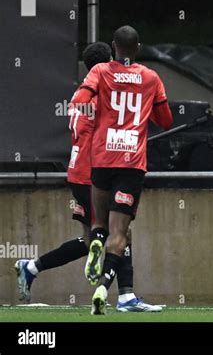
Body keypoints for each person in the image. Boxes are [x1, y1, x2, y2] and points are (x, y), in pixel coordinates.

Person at [14, 42, 161, 312]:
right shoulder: (103, 93)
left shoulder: (79, 95)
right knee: (121, 232)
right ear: (107, 64)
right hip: (97, 170)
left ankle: (31, 266)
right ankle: (125, 296)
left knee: (90, 239)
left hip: (76, 172)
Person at [70, 26, 173, 315]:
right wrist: (143, 108)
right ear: (137, 47)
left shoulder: (101, 71)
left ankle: (95, 246)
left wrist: (99, 108)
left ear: (114, 46)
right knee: (121, 233)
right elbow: (165, 120)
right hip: (131, 163)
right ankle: (104, 287)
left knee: (99, 225)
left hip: (101, 159)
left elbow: (80, 101)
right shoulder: (151, 78)